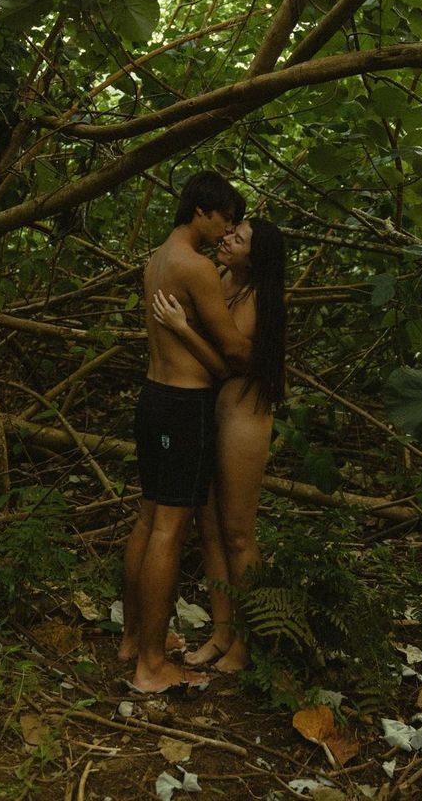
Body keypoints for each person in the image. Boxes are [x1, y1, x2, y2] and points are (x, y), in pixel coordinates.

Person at [118, 170, 252, 694]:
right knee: (170, 529)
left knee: (149, 518)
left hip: (154, 397)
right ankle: (151, 664)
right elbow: (235, 351)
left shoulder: (157, 258)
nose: (226, 232)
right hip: (184, 405)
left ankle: (134, 639)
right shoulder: (194, 268)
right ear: (202, 211)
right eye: (225, 219)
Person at [152, 217, 286, 673]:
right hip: (210, 407)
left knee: (237, 531)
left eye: (239, 238)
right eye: (229, 232)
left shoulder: (259, 296)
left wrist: (182, 328)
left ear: (257, 255)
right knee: (207, 525)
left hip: (243, 415)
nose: (227, 238)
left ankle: (249, 642)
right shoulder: (222, 277)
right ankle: (222, 632)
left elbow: (233, 363)